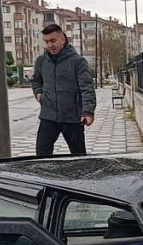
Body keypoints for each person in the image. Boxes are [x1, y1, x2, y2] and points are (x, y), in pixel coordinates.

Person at [31, 19, 95, 156]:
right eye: (47, 42)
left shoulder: (78, 62)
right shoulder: (41, 61)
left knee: (79, 157)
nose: (50, 45)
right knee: (41, 155)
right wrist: (38, 92)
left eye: (53, 41)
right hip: (48, 116)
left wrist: (88, 112)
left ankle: (80, 177)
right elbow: (36, 80)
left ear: (63, 40)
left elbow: (87, 87)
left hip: (72, 118)